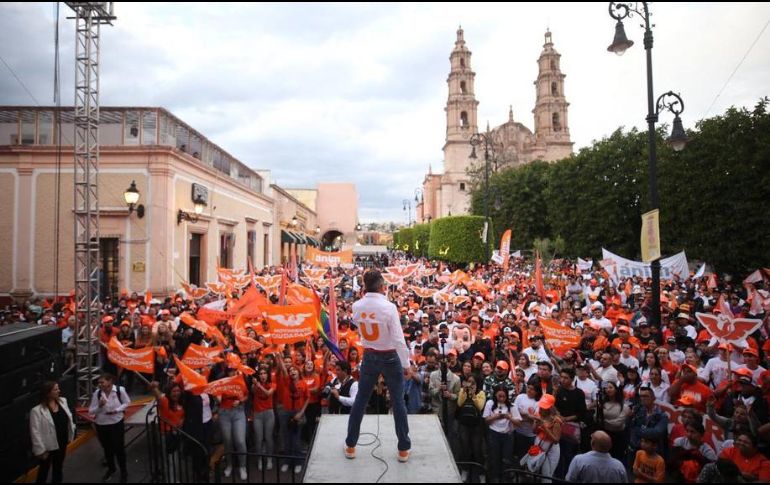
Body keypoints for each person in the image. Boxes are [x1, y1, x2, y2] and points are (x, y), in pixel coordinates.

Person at [345, 270, 412, 463]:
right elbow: (399, 339)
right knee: (398, 402)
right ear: (383, 286)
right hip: (390, 356)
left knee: (361, 399)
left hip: (369, 355)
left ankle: (351, 445)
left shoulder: (356, 306)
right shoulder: (389, 307)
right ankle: (403, 449)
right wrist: (406, 364)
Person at [30, 381, 75, 484]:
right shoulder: (37, 411)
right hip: (48, 446)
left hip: (62, 442)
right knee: (43, 471)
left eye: (58, 388)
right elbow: (35, 432)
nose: (59, 391)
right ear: (48, 393)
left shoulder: (63, 401)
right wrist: (41, 451)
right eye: (55, 389)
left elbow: (69, 419)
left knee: (58, 468)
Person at [88, 373, 130, 483]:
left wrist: (116, 410)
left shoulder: (120, 390)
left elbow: (127, 403)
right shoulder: (97, 394)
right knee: (107, 449)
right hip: (102, 424)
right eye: (99, 383)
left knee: (119, 448)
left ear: (110, 381)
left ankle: (124, 472)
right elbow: (91, 411)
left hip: (116, 422)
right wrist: (100, 406)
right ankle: (111, 469)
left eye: (102, 382)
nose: (100, 384)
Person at [483, 385, 521, 483]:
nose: (502, 399)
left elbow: (519, 423)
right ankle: (495, 477)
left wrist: (510, 418)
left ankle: (505, 477)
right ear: (495, 395)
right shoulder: (490, 403)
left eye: (504, 396)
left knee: (506, 458)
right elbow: (486, 421)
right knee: (494, 456)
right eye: (499, 396)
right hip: (494, 434)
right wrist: (494, 417)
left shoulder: (512, 406)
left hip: (507, 435)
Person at [456, 377, 485, 483]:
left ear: (477, 384)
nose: (471, 384)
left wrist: (473, 394)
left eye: (473, 383)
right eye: (469, 382)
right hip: (464, 424)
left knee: (477, 450)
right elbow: (459, 403)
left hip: (476, 425)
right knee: (465, 448)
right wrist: (464, 390)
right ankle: (465, 470)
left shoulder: (481, 393)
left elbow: (480, 406)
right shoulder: (462, 391)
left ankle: (481, 473)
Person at [251, 367, 276, 471]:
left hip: (269, 413)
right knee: (259, 438)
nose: (263, 375)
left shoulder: (273, 384)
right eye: (260, 373)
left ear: (267, 375)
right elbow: (253, 390)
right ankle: (260, 459)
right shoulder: (254, 385)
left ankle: (269, 459)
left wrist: (259, 385)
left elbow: (268, 393)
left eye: (265, 373)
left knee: (268, 437)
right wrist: (256, 385)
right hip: (257, 414)